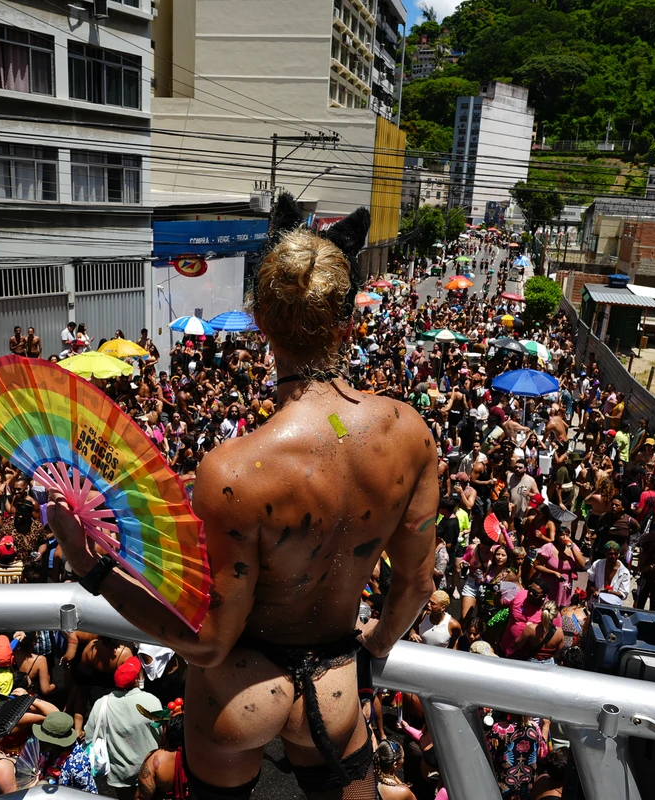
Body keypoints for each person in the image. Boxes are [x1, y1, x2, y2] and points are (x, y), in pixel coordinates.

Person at [49, 199, 438, 799]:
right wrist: (378, 647)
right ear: (348, 324)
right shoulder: (407, 433)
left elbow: (208, 641)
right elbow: (415, 586)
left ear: (261, 325)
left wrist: (90, 567)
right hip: (337, 687)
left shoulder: (233, 471)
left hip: (237, 694)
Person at [85, 657, 163, 799]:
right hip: (149, 769)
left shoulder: (101, 704)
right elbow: (161, 733)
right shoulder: (151, 700)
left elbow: (90, 737)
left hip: (120, 774)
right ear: (135, 681)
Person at [27, 711, 97, 793]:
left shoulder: (77, 765)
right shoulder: (48, 750)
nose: (39, 742)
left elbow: (87, 794)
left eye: (43, 740)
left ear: (55, 743)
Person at [587, 540, 631, 606]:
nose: (613, 556)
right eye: (610, 554)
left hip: (613, 606)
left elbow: (623, 594)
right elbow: (590, 583)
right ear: (605, 553)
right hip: (595, 603)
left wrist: (609, 592)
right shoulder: (597, 564)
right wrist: (594, 591)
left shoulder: (624, 572)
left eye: (616, 554)